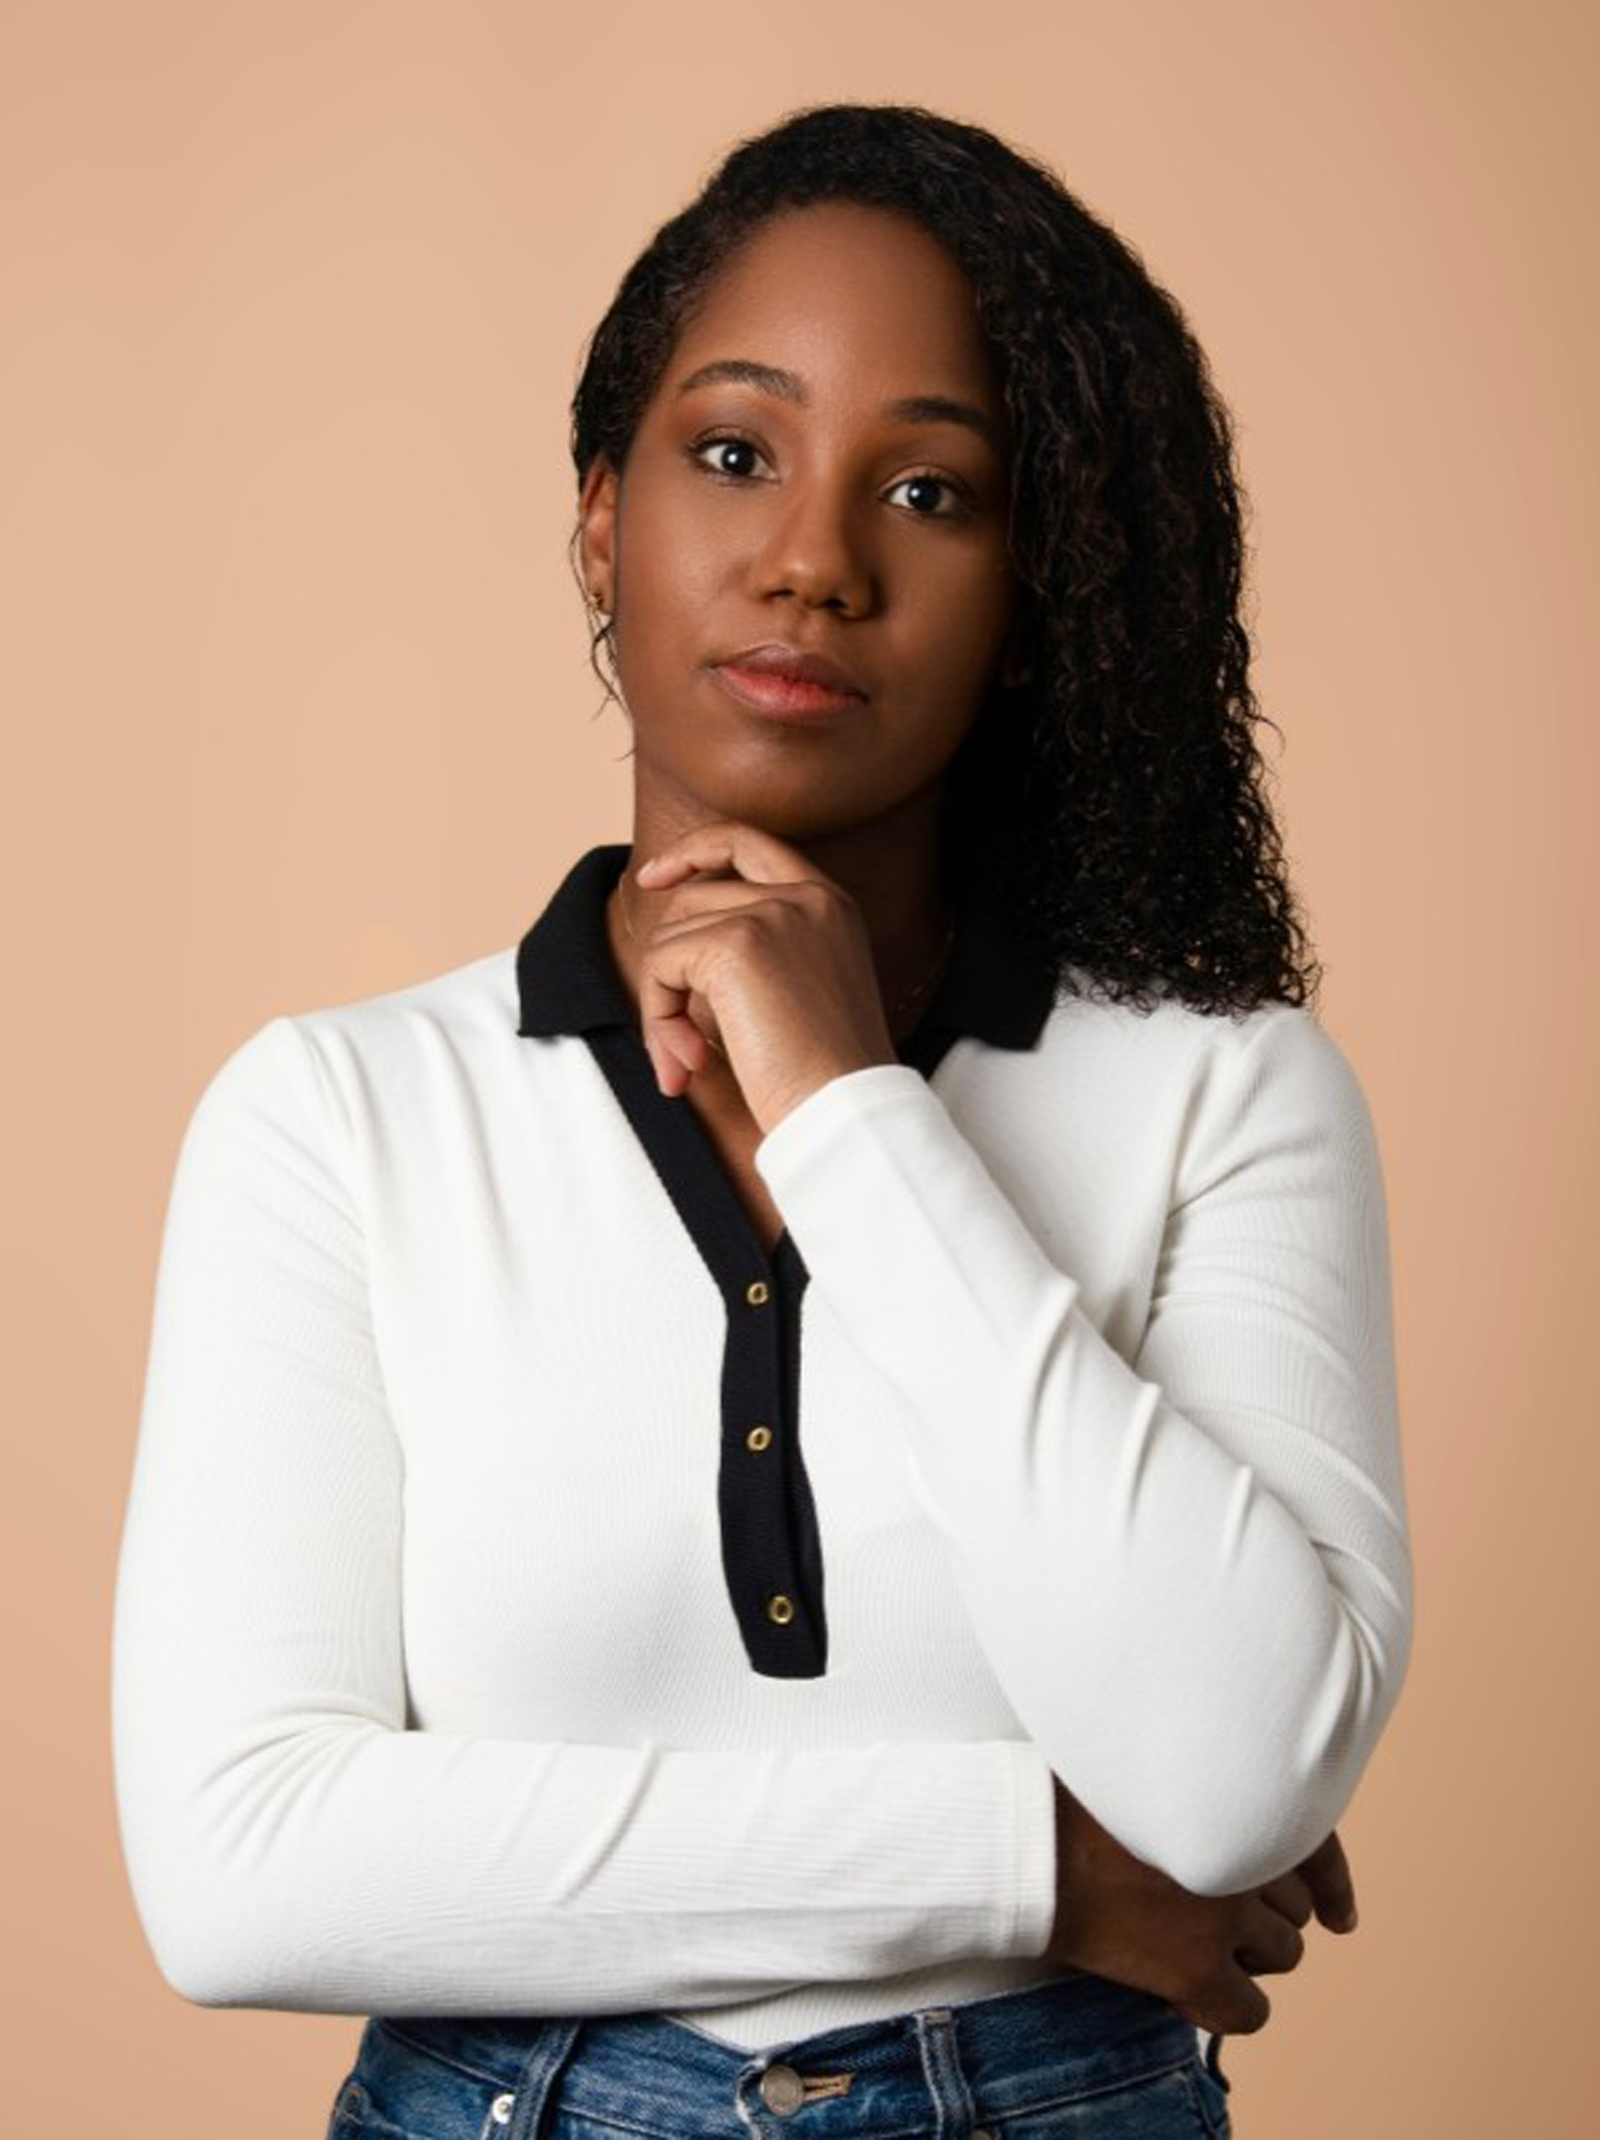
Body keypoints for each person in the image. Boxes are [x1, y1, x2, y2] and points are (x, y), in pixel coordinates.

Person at [111, 101, 1413, 2139]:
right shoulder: (338, 1116)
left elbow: (1240, 1771)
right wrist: (1024, 1861)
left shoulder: (1224, 1090)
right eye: (733, 454)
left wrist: (846, 1104)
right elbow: (242, 1861)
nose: (814, 560)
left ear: (1034, 592)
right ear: (597, 522)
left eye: (930, 491)